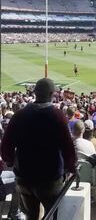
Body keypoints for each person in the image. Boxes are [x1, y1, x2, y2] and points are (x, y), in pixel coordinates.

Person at [1, 78, 77, 220]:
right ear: (51, 93)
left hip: (24, 177)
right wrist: (71, 167)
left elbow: (6, 145)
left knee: (31, 216)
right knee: (52, 214)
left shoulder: (20, 115)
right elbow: (68, 147)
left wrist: (10, 161)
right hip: (50, 178)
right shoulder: (57, 116)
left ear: (35, 93)